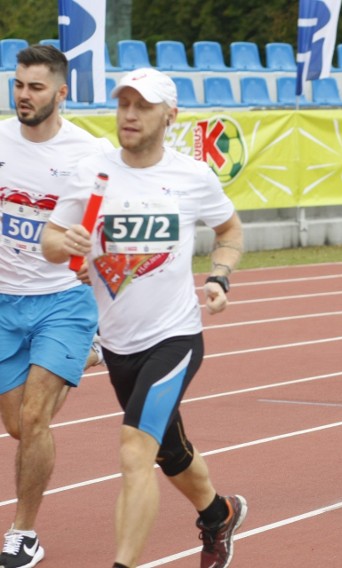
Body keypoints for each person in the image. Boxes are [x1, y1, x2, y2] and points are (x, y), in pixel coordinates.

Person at [41, 67, 246, 568]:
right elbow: (50, 240)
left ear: (169, 115)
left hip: (175, 336)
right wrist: (61, 244)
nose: (129, 114)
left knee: (134, 451)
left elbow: (231, 231)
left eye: (142, 105)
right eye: (123, 103)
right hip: (119, 344)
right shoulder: (92, 171)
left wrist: (220, 276)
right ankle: (219, 514)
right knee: (169, 453)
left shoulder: (191, 176)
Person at [0, 44, 111, 568]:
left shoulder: (89, 154)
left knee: (36, 417)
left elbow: (116, 221)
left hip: (61, 300)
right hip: (3, 301)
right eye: (18, 84)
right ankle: (87, 356)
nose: (24, 95)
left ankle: (22, 533)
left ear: (61, 92)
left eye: (35, 86)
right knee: (18, 427)